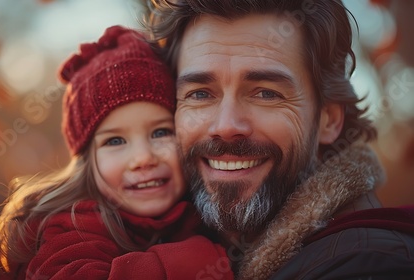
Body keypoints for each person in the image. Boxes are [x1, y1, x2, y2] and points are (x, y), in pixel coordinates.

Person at [144, 0, 414, 279]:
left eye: (266, 93)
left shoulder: (369, 265)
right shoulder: (150, 238)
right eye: (200, 94)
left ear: (329, 119)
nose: (225, 126)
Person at [0, 25, 234, 280]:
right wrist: (194, 260)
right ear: (88, 161)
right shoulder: (73, 223)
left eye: (161, 133)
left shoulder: (202, 211)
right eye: (114, 141)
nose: (143, 158)